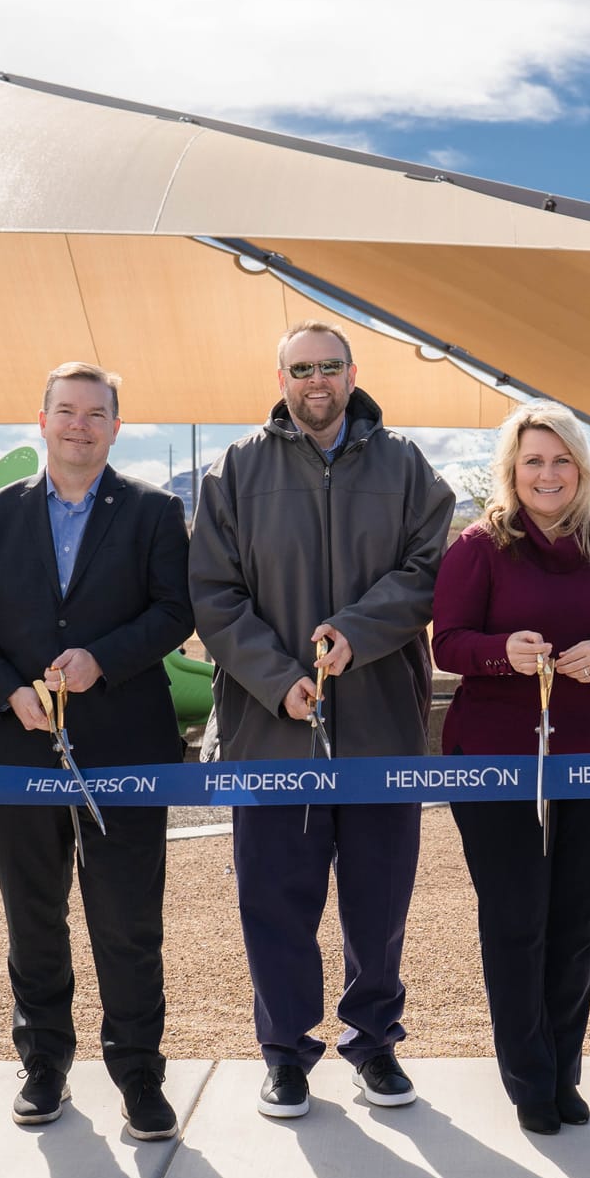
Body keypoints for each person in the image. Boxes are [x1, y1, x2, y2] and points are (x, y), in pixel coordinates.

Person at [189, 320, 454, 1120]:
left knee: (380, 899)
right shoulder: (235, 470)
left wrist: (356, 634)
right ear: (281, 377)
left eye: (329, 366)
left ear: (351, 372)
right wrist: (279, 680)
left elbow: (429, 572)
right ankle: (286, 1053)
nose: (316, 381)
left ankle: (374, 1044)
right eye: (301, 368)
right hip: (270, 729)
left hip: (379, 725)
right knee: (274, 898)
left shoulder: (406, 465)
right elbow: (213, 593)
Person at [0, 362, 193, 1140]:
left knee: (126, 918)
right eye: (66, 411)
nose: (79, 425)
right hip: (17, 745)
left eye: (95, 414)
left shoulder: (155, 511)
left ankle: (139, 1072)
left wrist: (104, 659)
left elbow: (174, 611)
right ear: (42, 420)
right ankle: (44, 1062)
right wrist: (7, 689)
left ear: (117, 427)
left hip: (124, 744)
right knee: (33, 916)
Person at [431, 403, 590, 1135]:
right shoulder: (478, 546)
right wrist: (502, 652)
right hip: (496, 757)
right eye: (533, 461)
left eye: (561, 461)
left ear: (581, 470)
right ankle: (528, 1079)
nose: (547, 474)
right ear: (512, 471)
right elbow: (448, 644)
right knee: (516, 918)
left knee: (576, 919)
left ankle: (564, 1070)